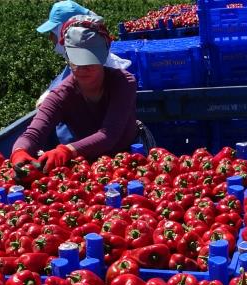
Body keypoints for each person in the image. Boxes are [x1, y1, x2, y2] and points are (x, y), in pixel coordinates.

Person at [12, 16, 151, 169]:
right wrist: (20, 151)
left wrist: (66, 150)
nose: (82, 68)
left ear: (102, 57)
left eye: (89, 61)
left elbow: (109, 134)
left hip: (129, 157)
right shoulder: (61, 95)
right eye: (75, 60)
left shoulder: (123, 82)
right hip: (88, 164)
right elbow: (33, 134)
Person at [35, 1, 132, 147]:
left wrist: (69, 151)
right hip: (80, 154)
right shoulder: (72, 69)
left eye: (52, 33)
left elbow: (109, 134)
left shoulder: (112, 74)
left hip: (96, 149)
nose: (51, 39)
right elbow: (34, 131)